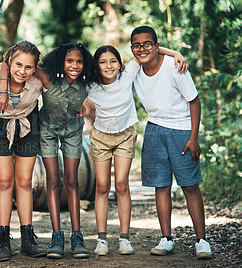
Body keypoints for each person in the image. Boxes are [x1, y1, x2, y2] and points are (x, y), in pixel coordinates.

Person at [85, 45, 188, 256]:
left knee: (122, 184)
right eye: (103, 62)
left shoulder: (128, 75)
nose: (108, 66)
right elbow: (68, 76)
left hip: (125, 136)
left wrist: (175, 54)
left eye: (113, 61)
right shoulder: (90, 85)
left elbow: (147, 53)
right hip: (100, 138)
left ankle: (124, 238)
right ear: (96, 65)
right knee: (102, 186)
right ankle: (102, 240)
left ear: (120, 64)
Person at [131, 26, 212, 259]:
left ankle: (201, 240)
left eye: (148, 44)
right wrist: (173, 50)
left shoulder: (175, 67)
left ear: (157, 46)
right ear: (132, 49)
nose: (142, 49)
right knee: (161, 185)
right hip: (154, 128)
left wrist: (193, 138)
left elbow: (194, 102)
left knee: (189, 185)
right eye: (137, 45)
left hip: (181, 130)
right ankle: (166, 238)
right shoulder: (135, 69)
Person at [0, 40, 46, 261]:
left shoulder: (37, 81)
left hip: (29, 124)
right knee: (5, 182)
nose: (23, 71)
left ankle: (27, 239)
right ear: (9, 62)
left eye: (28, 67)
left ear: (35, 67)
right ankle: (3, 241)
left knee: (25, 182)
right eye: (18, 65)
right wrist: (2, 84)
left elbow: (57, 80)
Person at [33, 43, 97, 259]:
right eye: (70, 61)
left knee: (72, 180)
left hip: (72, 130)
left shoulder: (86, 81)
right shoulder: (48, 77)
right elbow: (19, 61)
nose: (75, 65)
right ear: (61, 61)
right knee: (52, 180)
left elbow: (112, 70)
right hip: (47, 130)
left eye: (79, 61)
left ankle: (77, 236)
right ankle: (56, 236)